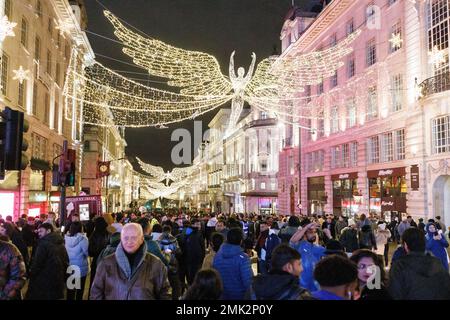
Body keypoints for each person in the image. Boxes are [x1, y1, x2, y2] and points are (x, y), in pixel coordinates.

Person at [90, 223, 171, 300]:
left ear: (142, 239)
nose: (129, 241)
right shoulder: (106, 263)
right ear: (121, 239)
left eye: (134, 238)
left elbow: (164, 293)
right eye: (125, 238)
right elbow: (96, 292)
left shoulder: (156, 264)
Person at [388, 228, 450, 300]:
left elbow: (395, 293)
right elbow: (446, 289)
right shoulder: (436, 263)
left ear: (405, 245)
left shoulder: (399, 266)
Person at [25, 223, 69, 300]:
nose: (39, 234)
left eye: (41, 231)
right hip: (57, 278)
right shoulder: (60, 242)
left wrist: (31, 273)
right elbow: (66, 260)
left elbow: (37, 264)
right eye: (38, 232)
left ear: (48, 231)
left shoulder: (43, 244)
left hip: (43, 281)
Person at [212, 227, 253, 300]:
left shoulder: (217, 255)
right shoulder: (243, 258)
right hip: (239, 295)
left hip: (222, 294)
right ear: (241, 241)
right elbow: (248, 282)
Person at [289, 221, 325, 292]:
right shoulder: (298, 246)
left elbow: (335, 253)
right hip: (300, 288)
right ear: (304, 234)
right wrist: (306, 228)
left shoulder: (318, 248)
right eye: (311, 232)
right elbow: (292, 241)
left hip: (315, 288)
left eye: (315, 232)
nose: (314, 234)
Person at [64, 222, 89, 300]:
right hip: (80, 266)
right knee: (79, 290)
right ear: (80, 228)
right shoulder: (83, 239)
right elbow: (86, 252)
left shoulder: (66, 238)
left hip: (70, 266)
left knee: (70, 290)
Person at [88, 217, 110, 293]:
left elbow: (90, 252)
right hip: (108, 261)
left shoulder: (94, 235)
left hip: (96, 261)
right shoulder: (108, 234)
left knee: (95, 283)